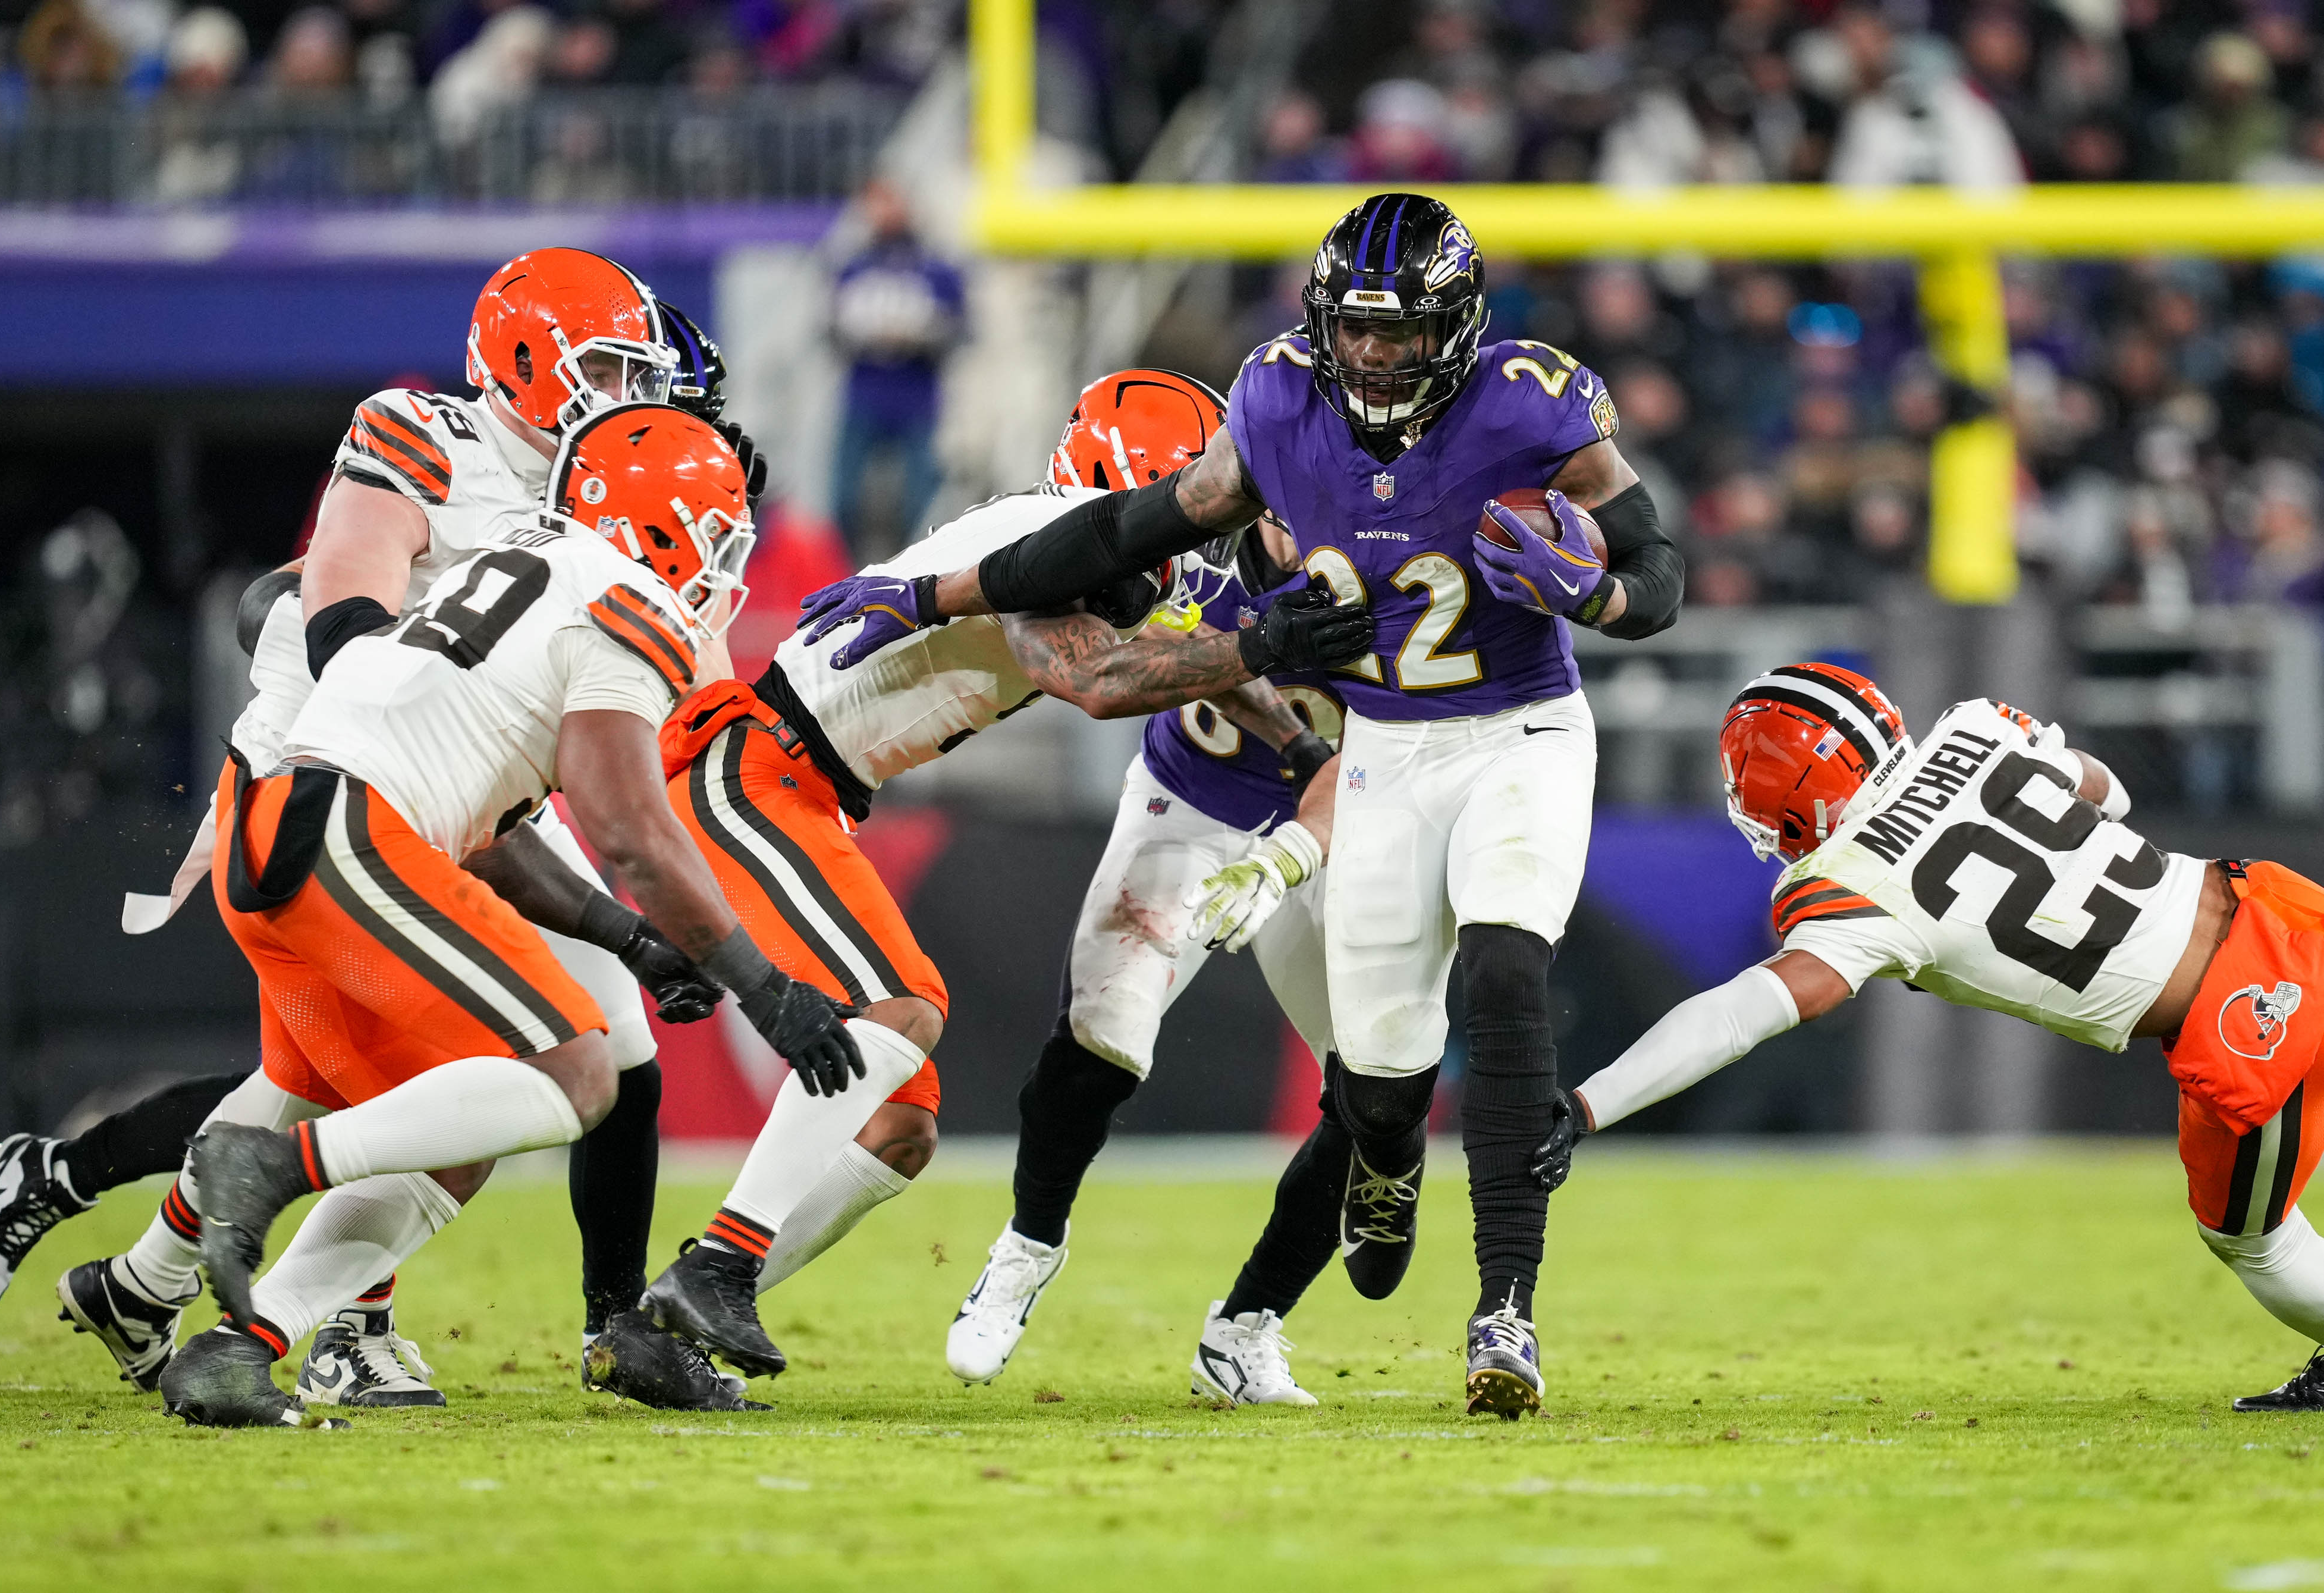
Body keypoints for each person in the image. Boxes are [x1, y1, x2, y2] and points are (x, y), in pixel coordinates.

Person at [798, 195, 1687, 1419]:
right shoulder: (1255, 428)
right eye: (1354, 332)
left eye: (1401, 332)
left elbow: (1654, 573)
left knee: (1443, 1020)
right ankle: (1085, 1234)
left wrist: (1596, 596)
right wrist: (941, 591)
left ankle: (1399, 1314)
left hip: (1432, 751)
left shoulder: (1512, 409)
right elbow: (1113, 592)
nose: (1373, 357)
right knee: (1240, 1053)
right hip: (1283, 766)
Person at [0, 253, 751, 1415]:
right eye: (608, 368)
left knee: (566, 1051)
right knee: (368, 1072)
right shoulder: (425, 427)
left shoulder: (589, 479)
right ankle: (314, 1322)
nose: (627, 392)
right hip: (335, 764)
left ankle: (150, 1268)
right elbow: (335, 612)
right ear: (521, 364)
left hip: (459, 786)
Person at [632, 369, 1377, 1379]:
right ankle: (716, 1267)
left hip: (806, 786)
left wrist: (1295, 748)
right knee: (903, 1008)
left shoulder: (1093, 545)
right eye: (1190, 489)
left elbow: (1178, 651)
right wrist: (1267, 638)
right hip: (761, 767)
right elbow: (1098, 678)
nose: (1202, 521)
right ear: (1145, 473)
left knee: (897, 1123)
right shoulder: (1047, 529)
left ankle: (665, 1319)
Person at [154, 403, 849, 1429]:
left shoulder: (522, 563)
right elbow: (625, 830)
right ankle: (266, 1165)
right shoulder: (623, 596)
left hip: (271, 826)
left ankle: (232, 1348)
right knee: (577, 1071)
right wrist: (764, 984)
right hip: (344, 831)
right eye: (713, 532)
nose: (721, 561)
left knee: (464, 1122)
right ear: (654, 521)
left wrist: (635, 941)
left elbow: (485, 826)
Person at [1531, 664, 2324, 1415]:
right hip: (2276, 906)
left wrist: (1590, 1102)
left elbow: (1741, 1013)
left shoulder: (1847, 884)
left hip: (2244, 1021)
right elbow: (2105, 789)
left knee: (2249, 1238)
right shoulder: (1976, 728)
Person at [942, 400, 1344, 1401]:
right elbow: (1149, 654)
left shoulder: (1374, 545)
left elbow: (1368, 756)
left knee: (1384, 1091)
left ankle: (1246, 1327)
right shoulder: (1155, 560)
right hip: (1192, 798)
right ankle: (1027, 1245)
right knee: (1107, 1030)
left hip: (1344, 808)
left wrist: (1300, 818)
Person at [828, 178, 965, 556]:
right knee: (844, 498)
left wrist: (919, 339)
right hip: (865, 394)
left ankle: (922, 577)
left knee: (920, 505)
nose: (884, 212)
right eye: (875, 203)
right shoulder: (853, 268)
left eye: (890, 201)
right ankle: (848, 574)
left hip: (917, 398)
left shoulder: (936, 269)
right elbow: (829, 332)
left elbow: (960, 331)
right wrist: (865, 336)